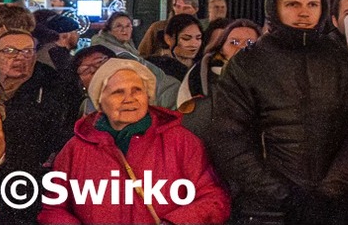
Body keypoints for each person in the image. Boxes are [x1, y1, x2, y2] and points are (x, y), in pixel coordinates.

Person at [205, 0, 348, 225]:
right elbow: (229, 139)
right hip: (266, 209)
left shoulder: (343, 61)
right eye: (293, 4)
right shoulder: (247, 64)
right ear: (275, 7)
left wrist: (331, 191)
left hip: (333, 207)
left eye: (312, 4)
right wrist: (286, 195)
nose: (304, 12)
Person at [39, 57, 231, 224]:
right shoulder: (75, 149)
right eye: (117, 92)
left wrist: (176, 222)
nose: (129, 99)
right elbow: (54, 208)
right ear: (99, 100)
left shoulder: (182, 141)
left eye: (137, 90)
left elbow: (213, 198)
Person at [0, 23, 77, 225]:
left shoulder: (53, 88)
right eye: (9, 51)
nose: (20, 57)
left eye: (27, 51)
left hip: (31, 189)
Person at [150, 14, 204, 83]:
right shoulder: (155, 67)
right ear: (168, 39)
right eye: (186, 38)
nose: (194, 44)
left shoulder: (203, 67)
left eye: (198, 38)